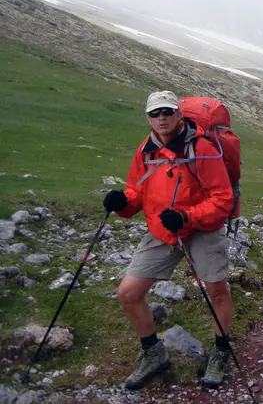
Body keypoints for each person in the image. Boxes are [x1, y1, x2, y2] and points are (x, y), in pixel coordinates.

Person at [102, 90, 235, 390]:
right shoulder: (145, 151)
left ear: (178, 114)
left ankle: (221, 352)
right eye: (155, 113)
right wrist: (121, 201)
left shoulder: (201, 148)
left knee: (216, 289)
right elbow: (137, 191)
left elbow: (223, 199)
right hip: (164, 229)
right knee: (128, 293)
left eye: (167, 112)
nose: (161, 118)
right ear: (148, 118)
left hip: (202, 227)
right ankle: (153, 355)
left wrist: (187, 217)